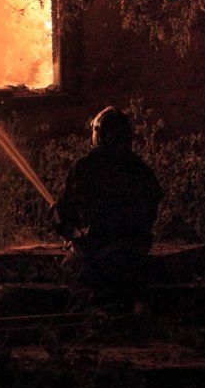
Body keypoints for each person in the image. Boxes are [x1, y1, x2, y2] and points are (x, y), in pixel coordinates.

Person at [52, 106, 162, 304]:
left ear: (99, 134)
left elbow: (69, 211)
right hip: (134, 250)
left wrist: (59, 218)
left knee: (67, 276)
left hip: (96, 252)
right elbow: (151, 210)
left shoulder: (85, 166)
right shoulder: (140, 168)